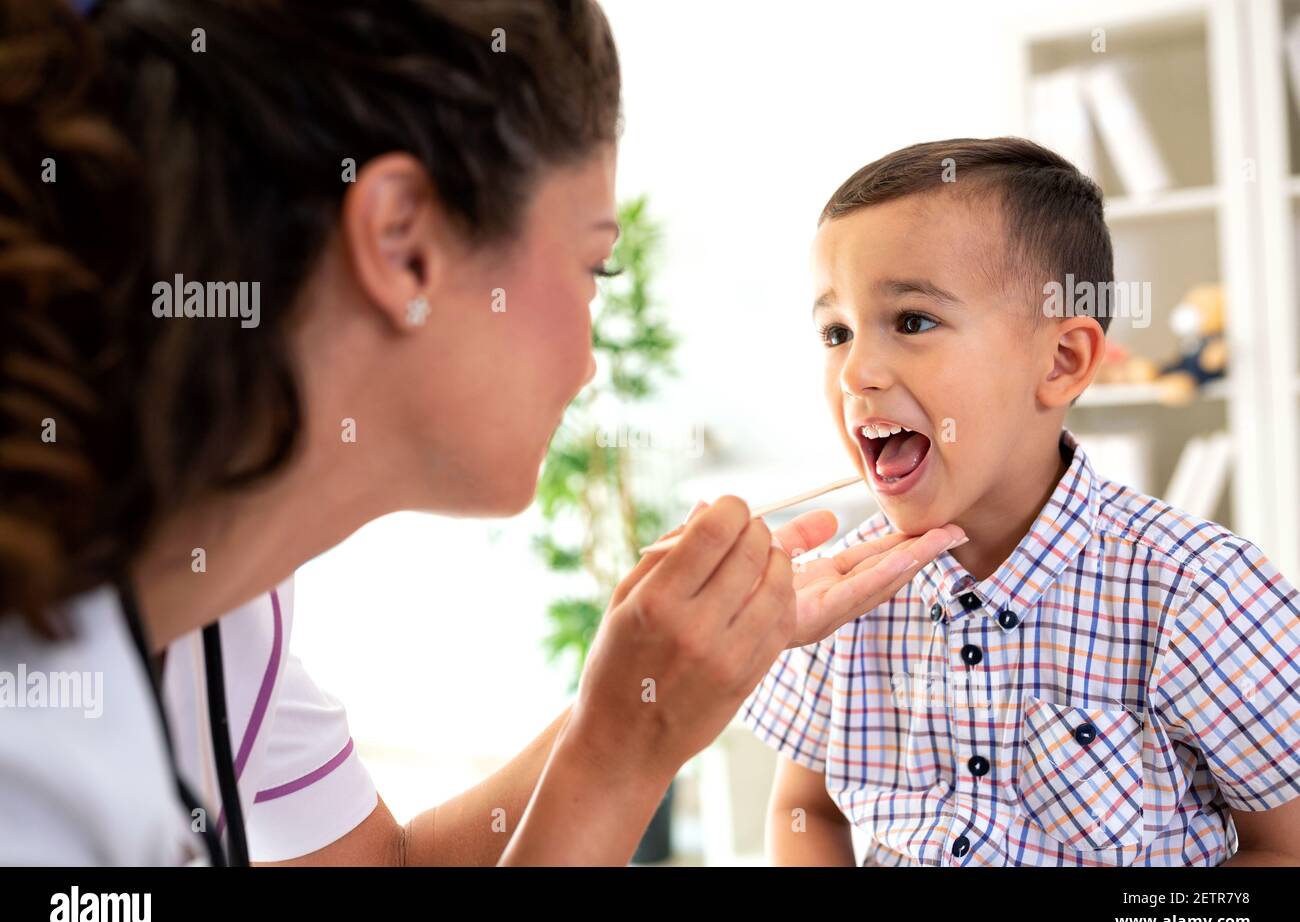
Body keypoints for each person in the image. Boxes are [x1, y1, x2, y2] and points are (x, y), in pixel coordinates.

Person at [0, 0, 962, 865]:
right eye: (596, 269)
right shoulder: (30, 752)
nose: (589, 360)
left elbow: (387, 870)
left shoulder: (225, 608)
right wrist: (625, 755)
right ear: (403, 245)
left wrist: (633, 698)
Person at [743, 137, 1300, 866]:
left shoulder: (1199, 593)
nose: (858, 371)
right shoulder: (835, 596)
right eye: (836, 332)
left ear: (1062, 361)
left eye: (911, 321)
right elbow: (803, 809)